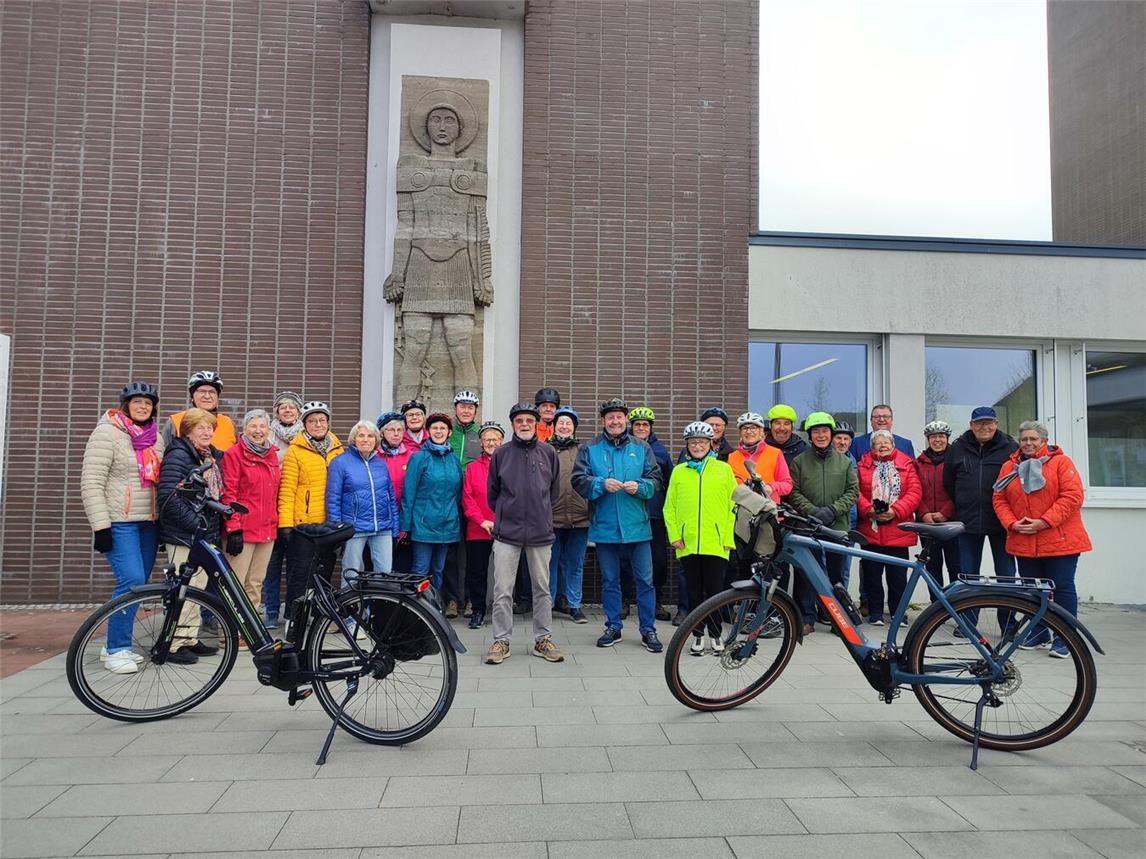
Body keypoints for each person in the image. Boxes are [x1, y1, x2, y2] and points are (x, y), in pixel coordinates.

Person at [81, 382, 165, 673]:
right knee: (130, 581)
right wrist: (100, 526)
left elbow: (160, 482)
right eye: (137, 402)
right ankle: (118, 648)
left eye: (148, 403)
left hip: (149, 523)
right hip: (120, 522)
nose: (143, 407)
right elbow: (91, 482)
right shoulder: (108, 432)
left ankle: (113, 645)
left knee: (138, 585)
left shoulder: (156, 438)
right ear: (125, 404)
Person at [993, 420, 1091, 658]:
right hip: (1024, 540)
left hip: (1060, 539)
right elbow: (999, 498)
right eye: (1024, 439)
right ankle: (1039, 631)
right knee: (1033, 590)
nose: (1028, 443)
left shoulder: (1061, 463)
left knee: (1062, 587)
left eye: (1033, 439)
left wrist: (1044, 521)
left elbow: (1072, 497)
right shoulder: (1010, 466)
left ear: (1044, 441)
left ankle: (1066, 638)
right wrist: (1011, 523)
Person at [572, 399, 664, 653]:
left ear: (626, 420)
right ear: (603, 420)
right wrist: (600, 484)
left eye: (619, 417)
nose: (615, 421)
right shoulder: (590, 448)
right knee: (610, 580)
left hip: (638, 526)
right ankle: (613, 626)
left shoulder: (642, 446)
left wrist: (642, 488)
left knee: (645, 581)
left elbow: (656, 479)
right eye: (610, 417)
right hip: (605, 527)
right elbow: (578, 480)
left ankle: (649, 630)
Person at [484, 402, 564, 665]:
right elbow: (493, 494)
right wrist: (510, 513)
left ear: (536, 423)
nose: (525, 425)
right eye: (520, 421)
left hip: (540, 533)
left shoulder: (549, 452)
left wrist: (539, 513)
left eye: (530, 420)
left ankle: (543, 639)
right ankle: (501, 641)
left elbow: (553, 492)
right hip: (507, 533)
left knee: (542, 588)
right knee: (502, 590)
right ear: (513, 424)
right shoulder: (501, 454)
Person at [157, 408, 225, 663]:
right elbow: (169, 497)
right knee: (184, 589)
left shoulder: (204, 455)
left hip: (200, 534)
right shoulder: (179, 455)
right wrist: (196, 524)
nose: (207, 432)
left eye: (210, 428)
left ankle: (188, 638)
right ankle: (173, 644)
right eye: (201, 428)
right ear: (188, 430)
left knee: (196, 589)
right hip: (184, 535)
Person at [663, 421, 737, 655]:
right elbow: (669, 507)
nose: (697, 446)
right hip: (688, 542)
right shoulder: (679, 471)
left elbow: (732, 506)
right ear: (687, 445)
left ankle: (715, 634)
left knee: (715, 592)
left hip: (716, 542)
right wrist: (675, 535)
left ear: (710, 444)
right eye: (693, 442)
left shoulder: (723, 470)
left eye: (702, 442)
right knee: (693, 592)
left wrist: (727, 537)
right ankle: (696, 634)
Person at [788, 412, 860, 631]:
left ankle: (838, 621)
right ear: (810, 435)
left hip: (837, 527)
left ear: (831, 434)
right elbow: (793, 491)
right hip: (808, 526)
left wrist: (832, 510)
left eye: (825, 431)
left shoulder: (845, 462)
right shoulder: (799, 462)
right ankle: (806, 618)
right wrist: (811, 511)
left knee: (837, 577)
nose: (821, 435)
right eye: (816, 431)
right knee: (807, 574)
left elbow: (853, 491)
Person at [221, 410, 282, 635]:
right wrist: (233, 527)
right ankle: (230, 632)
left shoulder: (272, 455)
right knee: (235, 584)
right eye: (253, 427)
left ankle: (250, 631)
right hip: (242, 530)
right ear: (244, 430)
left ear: (269, 430)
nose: (258, 431)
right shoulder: (234, 455)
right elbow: (229, 493)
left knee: (256, 583)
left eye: (262, 427)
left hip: (266, 528)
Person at [279, 401, 344, 607]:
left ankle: (319, 618)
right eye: (312, 421)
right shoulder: (296, 450)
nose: (318, 424)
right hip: (304, 524)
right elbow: (287, 489)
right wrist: (285, 524)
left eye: (322, 420)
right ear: (304, 424)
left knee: (324, 572)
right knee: (300, 575)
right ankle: (293, 619)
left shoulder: (338, 449)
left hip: (329, 523)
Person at [943, 407, 1019, 581]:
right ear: (971, 425)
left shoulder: (1011, 447)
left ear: (996, 424)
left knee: (1006, 573)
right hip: (967, 522)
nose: (984, 427)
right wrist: (963, 502)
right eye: (979, 423)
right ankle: (969, 609)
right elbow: (948, 482)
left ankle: (1006, 608)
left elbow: (1017, 483)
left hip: (1002, 521)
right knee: (968, 575)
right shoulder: (958, 447)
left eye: (989, 422)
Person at [856, 430, 922, 626]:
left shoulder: (907, 464)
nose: (883, 445)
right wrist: (869, 510)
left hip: (897, 529)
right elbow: (856, 491)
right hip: (871, 529)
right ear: (872, 446)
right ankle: (875, 612)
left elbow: (914, 492)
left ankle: (898, 612)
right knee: (872, 575)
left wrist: (895, 510)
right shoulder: (862, 465)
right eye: (878, 442)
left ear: (893, 445)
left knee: (898, 577)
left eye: (886, 442)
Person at [327, 421, 400, 581]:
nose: (365, 439)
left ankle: (378, 606)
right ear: (354, 439)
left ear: (376, 440)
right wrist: (337, 530)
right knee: (351, 574)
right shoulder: (340, 463)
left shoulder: (381, 464)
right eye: (361, 435)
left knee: (385, 574)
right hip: (354, 528)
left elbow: (391, 498)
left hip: (382, 527)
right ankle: (351, 606)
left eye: (370, 436)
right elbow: (333, 499)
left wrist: (395, 527)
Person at [400, 412, 463, 594]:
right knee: (420, 570)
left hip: (447, 525)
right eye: (435, 428)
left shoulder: (454, 460)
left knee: (438, 570)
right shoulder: (419, 458)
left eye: (443, 428)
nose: (439, 431)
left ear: (449, 432)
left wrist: (454, 519)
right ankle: (415, 613)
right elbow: (409, 493)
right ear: (428, 431)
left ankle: (434, 611)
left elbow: (457, 495)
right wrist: (406, 526)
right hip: (423, 525)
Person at [627, 406, 673, 621]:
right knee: (625, 560)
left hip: (654, 515)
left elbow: (671, 484)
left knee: (658, 562)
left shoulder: (661, 452)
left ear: (651, 428)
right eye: (637, 425)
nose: (641, 428)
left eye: (645, 425)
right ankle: (624, 600)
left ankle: (656, 602)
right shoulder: (623, 447)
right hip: (629, 513)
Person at [262, 390, 304, 626]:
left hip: (296, 510)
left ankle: (292, 614)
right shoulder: (266, 436)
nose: (287, 410)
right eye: (282, 407)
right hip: (270, 507)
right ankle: (270, 612)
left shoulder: (305, 437)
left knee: (295, 565)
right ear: (276, 411)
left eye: (292, 407)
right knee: (271, 564)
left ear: (299, 411)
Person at [547, 406, 590, 624]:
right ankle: (548, 604)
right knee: (550, 564)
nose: (564, 426)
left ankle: (574, 605)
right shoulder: (544, 449)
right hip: (551, 518)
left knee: (575, 563)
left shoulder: (584, 450)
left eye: (568, 423)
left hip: (580, 518)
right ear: (554, 426)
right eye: (560, 422)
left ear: (574, 428)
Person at [462, 421, 504, 629]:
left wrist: (500, 521)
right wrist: (481, 521)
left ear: (501, 441)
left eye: (494, 439)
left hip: (505, 528)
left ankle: (501, 611)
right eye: (487, 439)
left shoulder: (509, 466)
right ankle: (478, 610)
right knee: (477, 572)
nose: (491, 443)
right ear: (481, 442)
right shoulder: (472, 468)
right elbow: (467, 498)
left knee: (503, 572)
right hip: (477, 529)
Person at [915, 420, 959, 598]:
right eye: (933, 437)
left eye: (941, 436)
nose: (937, 440)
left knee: (955, 565)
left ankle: (958, 604)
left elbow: (961, 489)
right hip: (927, 524)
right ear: (928, 439)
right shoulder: (918, 463)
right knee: (932, 566)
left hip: (951, 522)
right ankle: (937, 605)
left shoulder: (956, 460)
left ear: (947, 438)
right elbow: (914, 490)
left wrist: (946, 513)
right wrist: (924, 513)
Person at [377, 411, 415, 573]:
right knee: (379, 566)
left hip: (404, 519)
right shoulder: (374, 457)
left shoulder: (413, 457)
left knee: (402, 566)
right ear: (382, 433)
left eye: (400, 430)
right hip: (380, 520)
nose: (396, 434)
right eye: (391, 430)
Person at [162, 370, 238, 451]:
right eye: (202, 391)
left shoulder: (229, 423)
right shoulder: (175, 421)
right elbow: (163, 456)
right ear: (192, 397)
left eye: (212, 392)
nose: (207, 396)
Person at [727, 412, 793, 496]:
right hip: (741, 506)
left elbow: (787, 484)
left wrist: (771, 487)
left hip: (769, 506)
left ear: (761, 431)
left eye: (753, 428)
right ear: (740, 433)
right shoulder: (732, 457)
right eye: (744, 428)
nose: (749, 431)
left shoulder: (775, 453)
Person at [850, 404, 916, 461]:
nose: (881, 420)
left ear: (892, 420)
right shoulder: (856, 443)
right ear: (871, 421)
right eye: (877, 417)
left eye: (885, 417)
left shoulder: (906, 445)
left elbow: (913, 471)